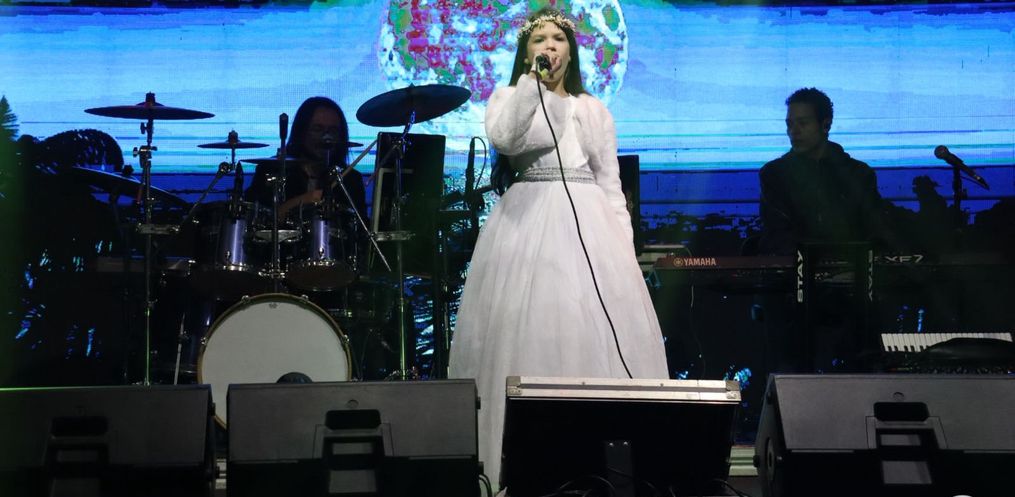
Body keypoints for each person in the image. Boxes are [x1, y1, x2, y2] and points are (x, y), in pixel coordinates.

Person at [448, 8, 669, 488]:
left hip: (590, 226)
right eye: (539, 40)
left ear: (571, 51)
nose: (548, 46)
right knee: (531, 331)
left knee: (586, 329)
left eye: (557, 39)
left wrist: (623, 250)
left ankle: (601, 468)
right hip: (526, 225)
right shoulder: (508, 96)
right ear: (526, 52)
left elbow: (611, 185)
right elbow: (507, 139)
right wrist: (533, 85)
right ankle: (525, 468)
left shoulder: (593, 109)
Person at [758, 88, 895, 255]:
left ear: (826, 125)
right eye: (790, 124)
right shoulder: (774, 174)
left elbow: (875, 230)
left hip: (851, 267)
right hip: (797, 267)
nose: (794, 131)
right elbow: (777, 236)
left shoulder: (859, 174)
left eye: (803, 123)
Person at [245, 96, 367, 223]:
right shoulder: (271, 169)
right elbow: (254, 219)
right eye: (318, 129)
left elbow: (361, 227)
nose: (326, 138)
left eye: (333, 131)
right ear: (301, 132)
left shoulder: (350, 179)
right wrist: (303, 200)